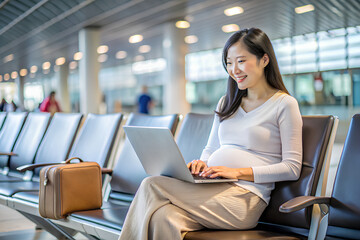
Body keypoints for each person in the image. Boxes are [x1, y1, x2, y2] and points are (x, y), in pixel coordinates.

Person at [119, 28, 303, 240]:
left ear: (264, 60)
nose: (234, 69)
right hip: (211, 189)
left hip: (245, 198)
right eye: (229, 62)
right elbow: (211, 149)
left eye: (241, 61)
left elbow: (292, 168)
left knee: (152, 184)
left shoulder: (284, 104)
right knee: (163, 217)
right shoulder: (227, 102)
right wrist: (202, 164)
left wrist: (237, 172)